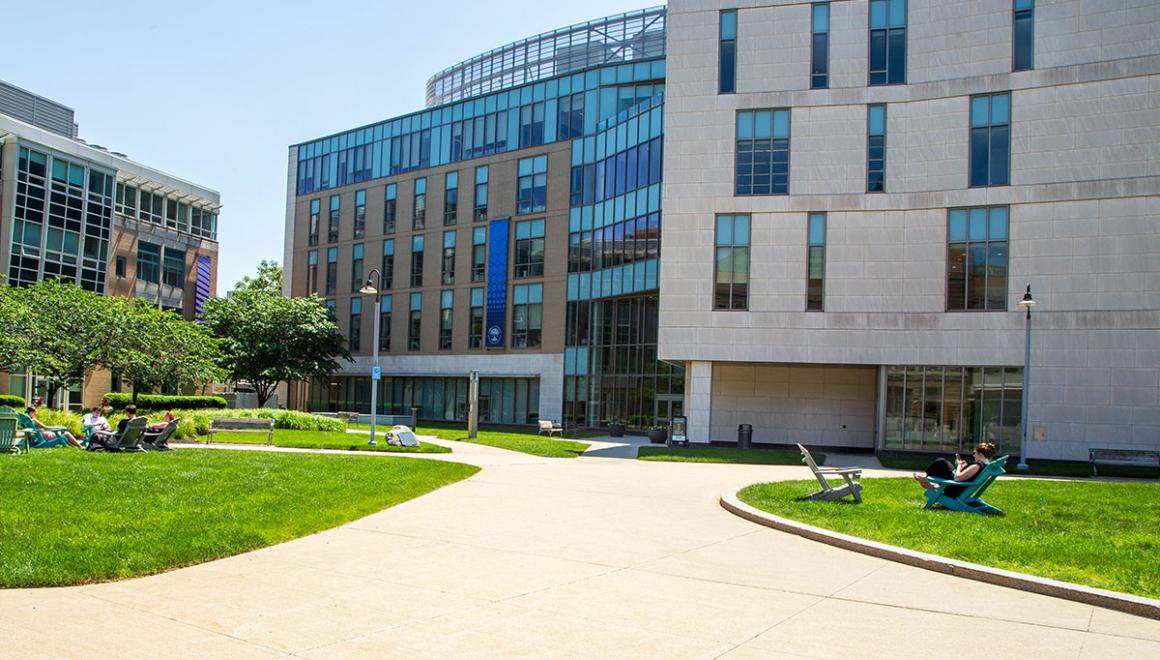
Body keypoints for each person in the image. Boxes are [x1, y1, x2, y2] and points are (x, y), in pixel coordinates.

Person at [914, 441, 997, 497]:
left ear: (981, 454)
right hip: (960, 487)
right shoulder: (984, 465)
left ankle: (926, 478)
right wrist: (964, 467)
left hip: (954, 489)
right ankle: (928, 480)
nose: (973, 455)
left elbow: (957, 478)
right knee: (945, 462)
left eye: (975, 453)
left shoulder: (977, 466)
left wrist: (959, 466)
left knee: (941, 461)